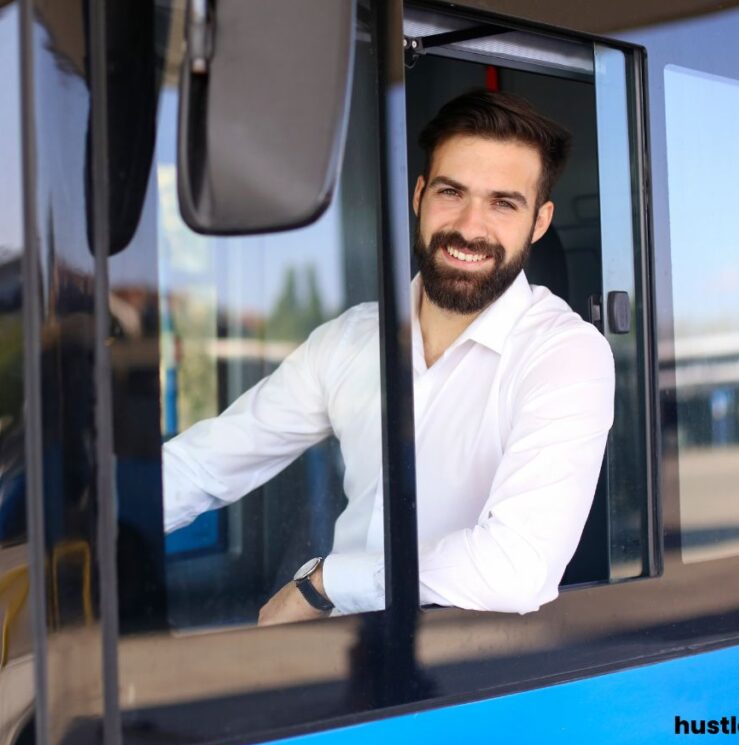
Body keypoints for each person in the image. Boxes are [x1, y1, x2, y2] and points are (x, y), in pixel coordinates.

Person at [163, 90, 615, 626]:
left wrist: (324, 583)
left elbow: (513, 567)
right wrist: (81, 535)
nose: (471, 227)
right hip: (342, 661)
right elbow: (207, 463)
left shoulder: (565, 354)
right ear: (419, 195)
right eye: (452, 192)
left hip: (474, 678)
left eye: (503, 203)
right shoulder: (351, 340)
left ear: (539, 222)